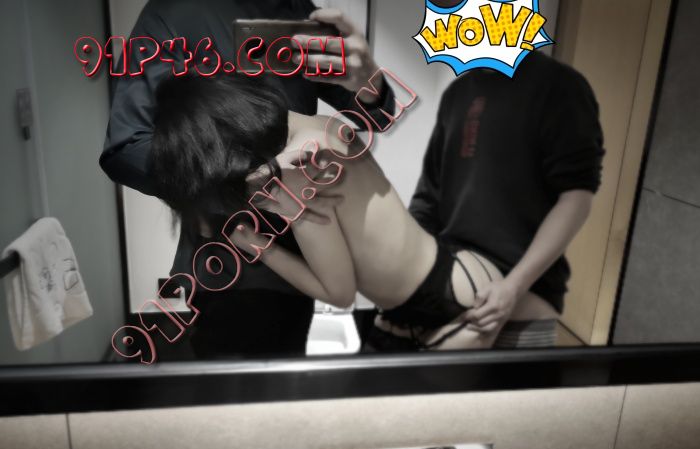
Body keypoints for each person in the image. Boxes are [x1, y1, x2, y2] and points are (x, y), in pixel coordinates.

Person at [150, 73, 551, 351]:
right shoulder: (314, 126)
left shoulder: (297, 172)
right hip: (442, 282)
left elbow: (339, 294)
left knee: (414, 432)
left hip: (454, 303)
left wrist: (258, 245)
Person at [100, 0, 395, 358]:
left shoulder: (297, 9)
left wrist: (369, 81)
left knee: (286, 372)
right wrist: (243, 185)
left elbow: (376, 115)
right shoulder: (172, 12)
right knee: (232, 383)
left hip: (301, 247)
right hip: (229, 258)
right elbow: (126, 149)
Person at [404, 51, 606, 349]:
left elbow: (577, 197)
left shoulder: (559, 84)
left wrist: (514, 286)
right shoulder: (457, 93)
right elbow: (428, 198)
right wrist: (410, 269)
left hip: (521, 300)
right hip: (454, 284)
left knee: (509, 382)